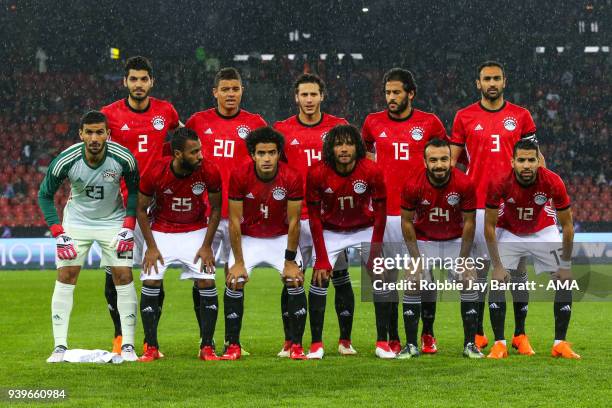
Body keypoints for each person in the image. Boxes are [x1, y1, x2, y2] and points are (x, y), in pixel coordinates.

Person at [450, 60, 542, 352]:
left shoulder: (521, 116)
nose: (491, 83)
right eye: (486, 79)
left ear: (505, 81)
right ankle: (478, 333)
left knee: (517, 269)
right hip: (477, 204)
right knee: (479, 270)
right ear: (478, 83)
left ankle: (520, 333)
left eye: (496, 78)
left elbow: (535, 160)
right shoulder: (463, 117)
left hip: (513, 205)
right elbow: (452, 164)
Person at [38, 110, 140, 363]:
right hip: (77, 221)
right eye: (90, 132)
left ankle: (128, 345)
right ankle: (59, 346)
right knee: (66, 274)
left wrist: (129, 224)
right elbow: (44, 195)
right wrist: (57, 232)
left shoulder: (123, 158)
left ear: (108, 133)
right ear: (81, 134)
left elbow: (136, 192)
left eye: (99, 132)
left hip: (113, 221)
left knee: (124, 275)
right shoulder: (67, 160)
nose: (95, 137)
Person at [362, 68, 448, 354]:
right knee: (385, 276)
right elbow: (364, 153)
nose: (391, 97)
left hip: (418, 213)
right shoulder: (372, 123)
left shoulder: (430, 123)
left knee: (422, 275)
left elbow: (441, 161)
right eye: (387, 92)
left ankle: (427, 333)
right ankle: (393, 335)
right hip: (384, 212)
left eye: (396, 92)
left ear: (411, 93)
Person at [101, 56, 181, 354]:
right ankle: (120, 335)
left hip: (156, 208)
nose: (138, 84)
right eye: (133, 79)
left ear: (151, 82)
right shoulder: (109, 116)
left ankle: (150, 340)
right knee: (116, 272)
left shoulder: (166, 111)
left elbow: (182, 138)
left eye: (143, 79)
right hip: (118, 208)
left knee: (153, 274)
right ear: (125, 82)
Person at [274, 73, 354, 359]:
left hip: (332, 219)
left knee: (339, 276)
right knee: (293, 278)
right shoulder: (281, 130)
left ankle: (344, 340)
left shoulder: (338, 128)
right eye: (304, 95)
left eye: (313, 94)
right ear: (296, 98)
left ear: (322, 96)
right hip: (296, 218)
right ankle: (290, 339)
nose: (309, 100)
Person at [185, 68, 267, 348]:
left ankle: (233, 341)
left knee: (236, 278)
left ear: (242, 91)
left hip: (239, 215)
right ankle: (204, 337)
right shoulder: (197, 121)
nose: (230, 94)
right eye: (225, 89)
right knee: (202, 277)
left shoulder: (255, 124)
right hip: (204, 214)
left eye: (235, 89)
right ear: (215, 92)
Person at [484, 139, 579, 359]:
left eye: (531, 160)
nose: (526, 165)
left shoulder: (553, 181)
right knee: (498, 281)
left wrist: (565, 264)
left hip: (542, 229)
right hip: (509, 231)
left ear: (539, 161)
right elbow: (488, 226)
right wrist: (497, 265)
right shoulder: (499, 182)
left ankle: (560, 343)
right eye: (521, 160)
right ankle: (500, 344)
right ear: (512, 161)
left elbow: (567, 226)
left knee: (565, 279)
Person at [136, 128, 222, 362]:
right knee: (152, 279)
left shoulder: (209, 170)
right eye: (194, 152)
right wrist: (151, 247)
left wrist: (206, 246)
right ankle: (151, 347)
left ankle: (207, 346)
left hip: (195, 230)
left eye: (200, 150)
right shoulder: (155, 171)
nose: (200, 156)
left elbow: (215, 209)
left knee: (206, 280)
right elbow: (141, 211)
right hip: (162, 231)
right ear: (177, 154)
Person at [306, 125, 390, 358]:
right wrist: (322, 258)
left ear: (358, 147)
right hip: (331, 230)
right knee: (319, 276)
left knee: (381, 276)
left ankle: (382, 343)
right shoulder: (316, 173)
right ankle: (316, 344)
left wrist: (374, 253)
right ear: (330, 148)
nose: (343, 149)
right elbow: (314, 217)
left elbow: (381, 213)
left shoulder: (371, 171)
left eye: (349, 143)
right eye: (338, 144)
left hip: (364, 228)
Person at [223, 127, 306, 360]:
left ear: (279, 154)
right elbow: (234, 222)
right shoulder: (239, 175)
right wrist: (238, 261)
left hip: (280, 238)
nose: (267, 158)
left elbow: (294, 222)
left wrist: (289, 261)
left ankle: (296, 345)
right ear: (252, 154)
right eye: (261, 153)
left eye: (271, 153)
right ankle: (233, 345)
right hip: (249, 238)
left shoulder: (292, 177)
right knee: (235, 280)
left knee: (294, 279)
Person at [400, 138, 482, 359]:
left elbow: (469, 223)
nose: (439, 164)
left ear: (451, 160)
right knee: (413, 279)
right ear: (425, 162)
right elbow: (406, 222)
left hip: (455, 241)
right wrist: (416, 259)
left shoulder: (464, 184)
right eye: (433, 160)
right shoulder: (413, 184)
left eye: (444, 159)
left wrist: (464, 259)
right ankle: (411, 345)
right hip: (425, 240)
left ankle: (470, 345)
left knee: (468, 278)